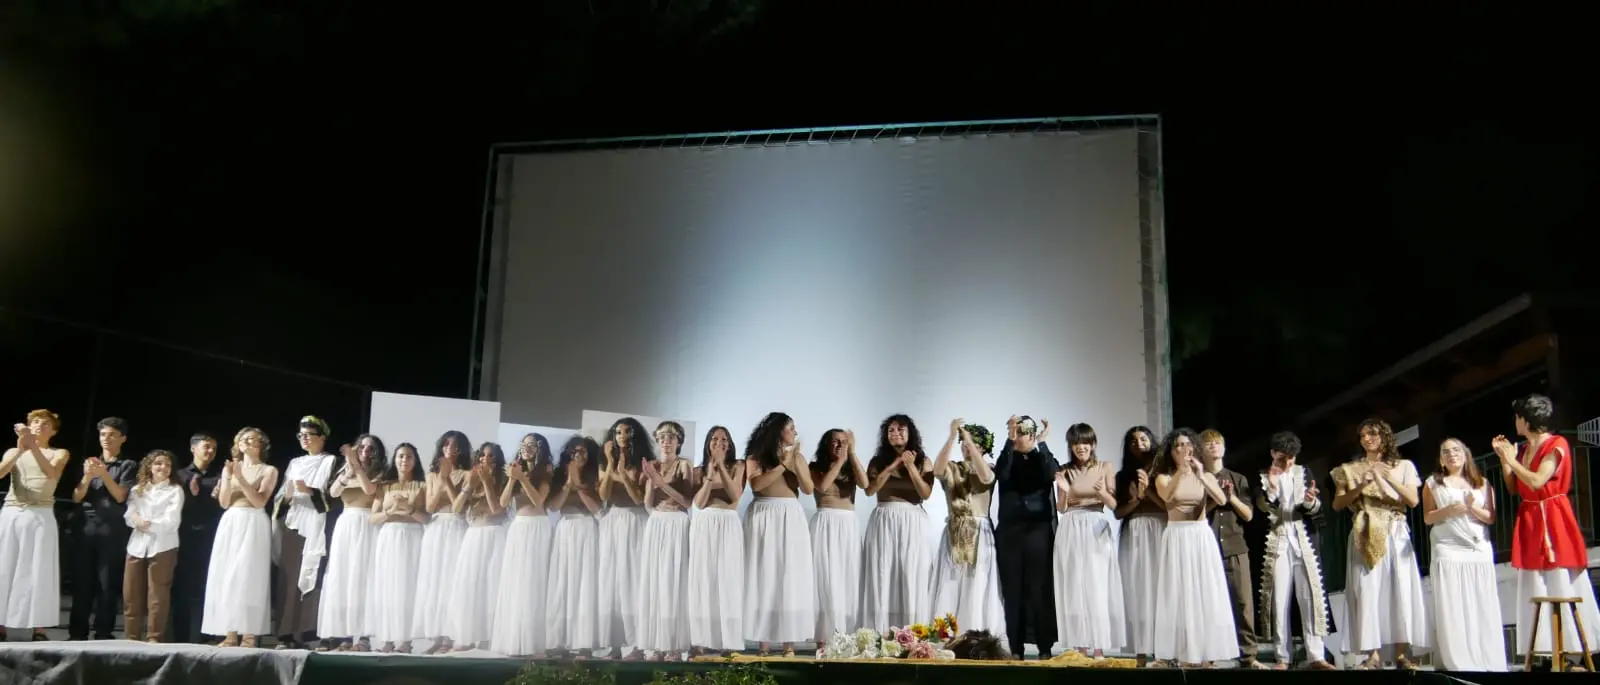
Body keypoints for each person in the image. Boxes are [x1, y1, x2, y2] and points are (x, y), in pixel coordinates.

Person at [1496, 394, 1599, 670]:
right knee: (1534, 583)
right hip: (1530, 516)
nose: (1515, 421)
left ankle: (1569, 650)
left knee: (1559, 579)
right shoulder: (1523, 449)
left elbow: (1539, 480)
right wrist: (1506, 460)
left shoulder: (1556, 443)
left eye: (1518, 416)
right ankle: (1543, 651)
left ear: (1526, 420)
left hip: (1552, 515)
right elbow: (1514, 487)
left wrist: (1512, 460)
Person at [1332, 418, 1429, 669]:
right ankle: (1372, 655)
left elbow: (1412, 500)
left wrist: (1387, 478)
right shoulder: (1352, 469)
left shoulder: (1403, 465)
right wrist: (1362, 485)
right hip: (1364, 529)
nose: (1367, 439)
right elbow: (1338, 504)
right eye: (1363, 435)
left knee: (1399, 589)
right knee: (1368, 590)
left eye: (1372, 434)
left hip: (1394, 529)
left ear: (1384, 437)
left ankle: (1400, 654)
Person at [1150, 428, 1237, 666]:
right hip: (1177, 536)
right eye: (1178, 445)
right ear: (1171, 450)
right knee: (1178, 593)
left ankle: (1207, 653)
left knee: (1204, 591)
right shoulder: (1164, 477)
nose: (1183, 448)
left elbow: (1221, 500)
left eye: (1187, 444)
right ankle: (1182, 653)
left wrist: (1199, 473)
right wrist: (1182, 470)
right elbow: (1168, 497)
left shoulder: (1205, 474)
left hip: (1200, 536)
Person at [1255, 431, 1336, 670]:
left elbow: (1315, 507)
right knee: (1279, 599)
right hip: (1277, 542)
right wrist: (1271, 488)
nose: (1287, 463)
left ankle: (1316, 655)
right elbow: (1261, 508)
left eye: (1291, 458)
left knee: (1309, 597)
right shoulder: (1261, 476)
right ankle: (1282, 657)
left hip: (1303, 541)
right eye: (1282, 458)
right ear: (1273, 454)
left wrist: (1310, 500)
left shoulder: (1304, 472)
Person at [1423, 437, 1505, 672]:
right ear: (1441, 459)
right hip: (1448, 547)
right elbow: (1428, 518)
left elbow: (1490, 517)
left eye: (1456, 450)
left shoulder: (1482, 483)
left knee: (1480, 602)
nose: (1452, 455)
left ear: (1465, 454)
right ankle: (1457, 658)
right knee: (1452, 603)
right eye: (1446, 452)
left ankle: (1485, 655)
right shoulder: (1433, 483)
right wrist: (1449, 510)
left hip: (1477, 548)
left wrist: (1471, 507)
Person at [742, 412, 816, 657]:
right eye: (790, 428)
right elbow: (757, 485)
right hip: (763, 515)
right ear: (777, 431)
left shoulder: (797, 457)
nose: (794, 433)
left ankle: (789, 643)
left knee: (789, 576)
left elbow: (807, 488)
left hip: (790, 517)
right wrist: (783, 463)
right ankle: (763, 642)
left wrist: (795, 463)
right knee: (764, 576)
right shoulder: (755, 458)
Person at [1050, 423, 1123, 657]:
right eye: (1075, 443)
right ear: (1070, 446)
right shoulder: (1064, 470)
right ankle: (1080, 646)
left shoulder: (1105, 467)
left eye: (1085, 442)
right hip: (1071, 526)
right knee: (1074, 586)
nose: (1080, 447)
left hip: (1095, 524)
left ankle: (1099, 646)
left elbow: (1113, 505)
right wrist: (1063, 490)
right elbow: (1061, 508)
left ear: (1093, 444)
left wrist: (1102, 493)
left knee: (1097, 584)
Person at [203, 427, 278, 647]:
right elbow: (224, 502)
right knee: (227, 576)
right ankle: (230, 633)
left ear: (260, 445)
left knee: (250, 575)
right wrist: (229, 476)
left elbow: (260, 501)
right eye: (243, 439)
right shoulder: (230, 468)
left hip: (253, 520)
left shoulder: (269, 470)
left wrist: (240, 479)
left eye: (251, 439)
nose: (246, 442)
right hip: (231, 520)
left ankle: (249, 633)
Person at [0, 410, 71, 642]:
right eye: (36, 422)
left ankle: (38, 627)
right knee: (4, 566)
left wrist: (33, 448)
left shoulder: (59, 453)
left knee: (38, 570)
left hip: (40, 513)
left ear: (54, 430)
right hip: (12, 511)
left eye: (46, 424)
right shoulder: (14, 451)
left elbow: (50, 473)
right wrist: (22, 448)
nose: (40, 426)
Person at [859, 414, 935, 632]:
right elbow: (870, 489)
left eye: (900, 429)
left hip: (912, 520)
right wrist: (892, 466)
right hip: (884, 519)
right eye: (891, 430)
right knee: (883, 572)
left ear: (910, 433)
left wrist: (910, 467)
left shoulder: (924, 461)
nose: (895, 434)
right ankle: (881, 631)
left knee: (912, 572)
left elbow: (925, 493)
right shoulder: (877, 462)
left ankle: (914, 631)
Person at [929, 419, 1004, 637]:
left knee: (977, 582)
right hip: (955, 530)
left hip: (979, 532)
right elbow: (937, 470)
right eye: (964, 443)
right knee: (950, 582)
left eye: (972, 443)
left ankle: (977, 633)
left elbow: (986, 478)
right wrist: (952, 437)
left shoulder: (988, 467)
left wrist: (970, 441)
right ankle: (947, 634)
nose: (966, 446)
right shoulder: (953, 468)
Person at [69, 416, 139, 640]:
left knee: (107, 584)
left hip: (112, 530)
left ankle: (103, 632)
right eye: (102, 434)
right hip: (87, 527)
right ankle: (77, 633)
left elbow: (121, 495)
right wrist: (89, 476)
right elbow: (77, 496)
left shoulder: (128, 465)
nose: (106, 439)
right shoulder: (89, 463)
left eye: (112, 435)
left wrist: (104, 474)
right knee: (81, 583)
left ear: (123, 438)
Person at [994, 415, 1058, 658]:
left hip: (1038, 531)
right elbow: (1002, 473)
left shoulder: (1042, 456)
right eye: (1016, 432)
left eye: (1024, 432)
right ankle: (1016, 648)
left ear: (1032, 434)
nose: (1020, 436)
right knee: (1013, 591)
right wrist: (1009, 442)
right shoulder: (1008, 456)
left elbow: (1052, 473)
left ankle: (1044, 647)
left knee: (1039, 589)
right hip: (1010, 532)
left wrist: (1042, 443)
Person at [272, 416, 338, 649]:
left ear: (322, 437)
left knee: (314, 576)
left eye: (309, 434)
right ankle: (286, 633)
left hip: (319, 525)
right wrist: (288, 497)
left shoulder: (331, 462)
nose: (305, 439)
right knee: (289, 579)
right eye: (301, 435)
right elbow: (280, 499)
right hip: (295, 526)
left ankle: (310, 632)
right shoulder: (295, 463)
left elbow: (335, 498)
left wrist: (310, 491)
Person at [316, 435, 385, 651]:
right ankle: (345, 635)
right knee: (344, 576)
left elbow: (369, 491)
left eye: (370, 448)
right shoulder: (346, 470)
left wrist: (357, 466)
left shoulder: (381, 472)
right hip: (346, 523)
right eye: (362, 447)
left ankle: (363, 637)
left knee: (363, 577)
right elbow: (334, 492)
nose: (365, 450)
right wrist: (348, 470)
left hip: (367, 524)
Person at [490, 433, 556, 658]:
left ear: (540, 448)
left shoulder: (546, 470)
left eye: (532, 445)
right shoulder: (515, 470)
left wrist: (523, 478)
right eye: (524, 444)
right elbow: (503, 502)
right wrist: (513, 478)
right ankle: (513, 639)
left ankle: (533, 642)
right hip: (518, 527)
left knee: (533, 581)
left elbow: (539, 501)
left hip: (537, 526)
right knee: (515, 581)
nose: (527, 448)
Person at [1199, 429, 1260, 667]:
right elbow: (1197, 513)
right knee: (1209, 603)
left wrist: (1231, 497)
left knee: (1243, 603)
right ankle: (1209, 656)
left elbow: (1248, 515)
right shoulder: (1200, 478)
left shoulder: (1237, 478)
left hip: (1236, 547)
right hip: (1208, 548)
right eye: (1208, 444)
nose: (1214, 447)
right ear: (1201, 451)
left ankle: (1249, 656)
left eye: (1217, 443)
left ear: (1223, 448)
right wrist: (1217, 498)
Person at [636, 421, 695, 660]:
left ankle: (674, 645)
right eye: (661, 438)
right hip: (657, 522)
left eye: (671, 437)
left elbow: (688, 501)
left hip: (677, 522)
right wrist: (651, 479)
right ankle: (657, 644)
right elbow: (648, 503)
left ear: (679, 441)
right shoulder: (653, 465)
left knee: (674, 581)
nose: (666, 442)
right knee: (656, 580)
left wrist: (661, 483)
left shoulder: (684, 465)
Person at [364, 442, 428, 654]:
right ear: (395, 459)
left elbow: (426, 518)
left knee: (407, 588)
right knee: (387, 587)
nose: (404, 461)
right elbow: (373, 518)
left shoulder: (422, 486)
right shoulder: (384, 486)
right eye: (400, 456)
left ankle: (405, 640)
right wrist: (390, 511)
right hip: (389, 537)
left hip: (412, 538)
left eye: (409, 457)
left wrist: (409, 509)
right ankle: (387, 639)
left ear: (415, 460)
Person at [689, 426, 747, 655]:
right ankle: (700, 639)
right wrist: (710, 477)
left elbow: (734, 495)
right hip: (705, 524)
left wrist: (721, 466)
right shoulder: (697, 471)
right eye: (714, 439)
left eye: (724, 439)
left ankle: (729, 641)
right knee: (703, 580)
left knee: (728, 579)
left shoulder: (739, 466)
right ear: (707, 443)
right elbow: (700, 502)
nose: (719, 442)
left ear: (730, 444)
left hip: (729, 523)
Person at [597, 418, 652, 659]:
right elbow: (603, 494)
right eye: (618, 431)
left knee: (633, 581)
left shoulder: (644, 463)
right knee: (612, 582)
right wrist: (611, 464)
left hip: (635, 520)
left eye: (627, 431)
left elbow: (639, 498)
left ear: (634, 435)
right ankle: (615, 643)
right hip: (613, 520)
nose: (622, 435)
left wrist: (623, 473)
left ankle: (638, 644)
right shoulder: (604, 463)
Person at [546, 435, 604, 657]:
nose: (577, 455)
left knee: (585, 584)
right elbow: (554, 506)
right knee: (562, 582)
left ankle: (583, 642)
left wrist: (579, 484)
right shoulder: (560, 475)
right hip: (565, 527)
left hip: (587, 527)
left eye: (582, 452)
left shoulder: (594, 475)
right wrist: (568, 485)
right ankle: (558, 639)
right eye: (574, 452)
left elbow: (596, 509)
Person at [123, 449, 184, 643]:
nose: (163, 467)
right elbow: (129, 514)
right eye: (158, 463)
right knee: (131, 593)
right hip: (137, 545)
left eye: (167, 464)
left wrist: (145, 523)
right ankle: (131, 637)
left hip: (163, 546)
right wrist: (136, 521)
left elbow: (171, 521)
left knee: (157, 595)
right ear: (149, 466)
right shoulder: (138, 490)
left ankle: (154, 637)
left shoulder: (175, 490)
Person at [1113, 425, 1161, 665]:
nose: (1138, 443)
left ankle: (1165, 649)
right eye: (1133, 440)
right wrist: (1137, 499)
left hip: (1160, 529)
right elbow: (1119, 512)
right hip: (1135, 531)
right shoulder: (1123, 476)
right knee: (1138, 590)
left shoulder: (1163, 470)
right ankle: (1141, 651)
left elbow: (1167, 506)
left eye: (1143, 438)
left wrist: (1148, 489)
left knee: (1160, 589)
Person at [170, 433, 223, 643]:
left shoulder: (219, 476)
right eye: (206, 447)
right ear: (193, 448)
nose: (210, 452)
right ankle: (179, 635)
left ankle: (206, 634)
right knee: (181, 587)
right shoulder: (179, 475)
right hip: (183, 536)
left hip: (210, 537)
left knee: (207, 586)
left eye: (213, 449)